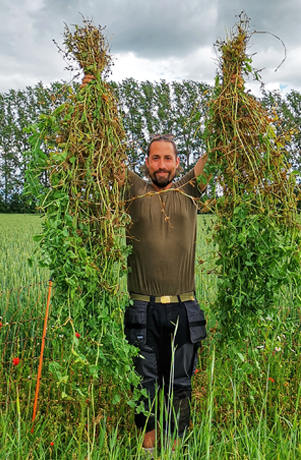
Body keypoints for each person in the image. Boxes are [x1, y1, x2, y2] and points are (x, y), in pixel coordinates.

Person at [81, 73, 210, 454]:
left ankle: (176, 442)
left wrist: (229, 93)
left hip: (184, 306)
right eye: (155, 157)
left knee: (180, 380)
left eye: (168, 158)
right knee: (145, 379)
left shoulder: (190, 192)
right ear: (147, 162)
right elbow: (102, 150)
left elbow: (216, 155)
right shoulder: (133, 190)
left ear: (177, 162)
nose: (161, 164)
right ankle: (149, 441)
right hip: (141, 306)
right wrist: (94, 94)